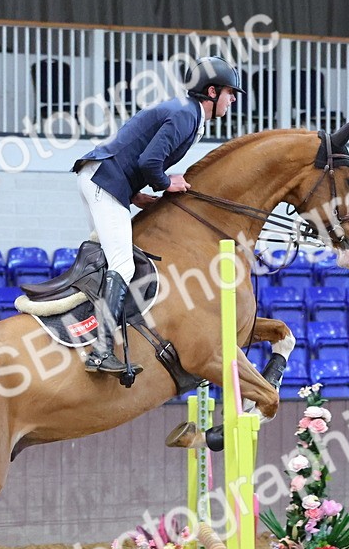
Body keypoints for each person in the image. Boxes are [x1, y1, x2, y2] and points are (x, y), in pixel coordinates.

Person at [71, 55, 243, 376]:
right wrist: (167, 183)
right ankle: (100, 350)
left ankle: (87, 327)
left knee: (114, 260)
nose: (233, 99)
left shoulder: (186, 113)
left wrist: (134, 192)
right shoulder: (185, 116)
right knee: (123, 264)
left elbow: (134, 149)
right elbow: (150, 161)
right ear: (211, 92)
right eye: (230, 92)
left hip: (105, 177)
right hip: (103, 180)